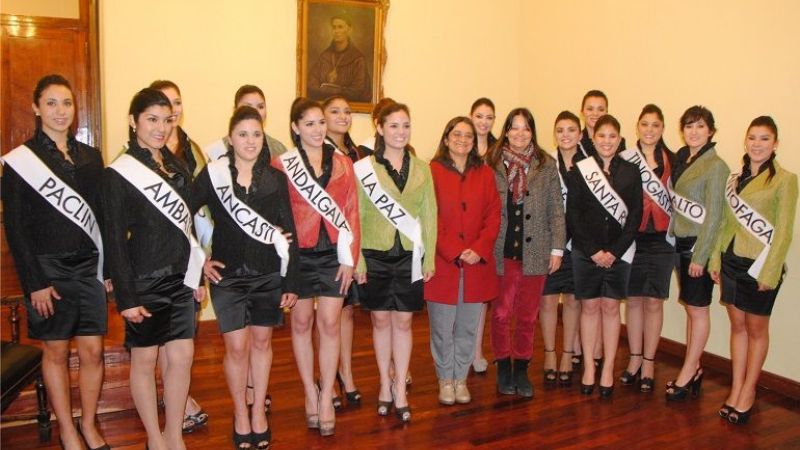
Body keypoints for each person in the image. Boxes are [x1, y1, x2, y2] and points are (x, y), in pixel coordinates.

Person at [2, 74, 110, 450]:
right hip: (48, 271)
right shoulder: (21, 162)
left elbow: (102, 217)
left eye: (66, 103)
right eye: (51, 103)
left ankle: (89, 424)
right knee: (57, 351)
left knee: (93, 351)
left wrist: (108, 270)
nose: (60, 111)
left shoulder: (91, 158)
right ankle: (67, 429)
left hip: (89, 267)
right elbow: (15, 229)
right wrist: (34, 282)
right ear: (36, 108)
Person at [102, 88, 206, 450]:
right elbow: (114, 239)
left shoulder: (178, 166)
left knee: (182, 357)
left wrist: (198, 275)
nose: (161, 128)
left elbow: (190, 227)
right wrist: (126, 297)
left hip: (181, 277)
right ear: (134, 122)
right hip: (144, 279)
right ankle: (154, 438)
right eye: (152, 120)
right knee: (145, 360)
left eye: (167, 120)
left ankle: (174, 434)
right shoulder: (118, 173)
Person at [191, 106, 300, 449]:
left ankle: (258, 413)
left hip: (267, 273)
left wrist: (290, 281)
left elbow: (290, 230)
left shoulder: (275, 178)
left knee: (262, 344)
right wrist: (199, 260)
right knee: (236, 347)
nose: (250, 141)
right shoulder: (213, 175)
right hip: (228, 276)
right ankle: (240, 412)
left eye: (256, 134)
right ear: (230, 139)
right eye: (242, 134)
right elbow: (181, 213)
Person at [272, 98, 360, 437]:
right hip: (299, 256)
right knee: (301, 323)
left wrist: (350, 258)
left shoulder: (342, 163)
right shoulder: (282, 164)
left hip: (333, 255)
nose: (317, 129)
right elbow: (276, 212)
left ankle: (325, 398)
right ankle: (310, 391)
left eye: (321, 122)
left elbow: (351, 211)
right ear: (295, 127)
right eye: (309, 123)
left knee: (330, 324)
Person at [709, 116, 797, 424]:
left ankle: (749, 390)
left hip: (760, 266)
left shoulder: (785, 180)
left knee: (757, 330)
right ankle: (736, 387)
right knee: (738, 327)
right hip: (731, 260)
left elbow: (784, 232)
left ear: (775, 144)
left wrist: (769, 273)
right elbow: (724, 223)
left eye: (764, 138)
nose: (757, 144)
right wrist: (716, 260)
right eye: (752, 138)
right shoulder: (735, 179)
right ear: (745, 141)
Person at [354, 102, 437, 422]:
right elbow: (357, 215)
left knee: (403, 322)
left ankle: (400, 387)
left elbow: (429, 215)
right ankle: (384, 385)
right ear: (379, 127)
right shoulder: (365, 168)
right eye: (393, 125)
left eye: (406, 125)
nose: (400, 132)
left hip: (409, 255)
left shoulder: (422, 168)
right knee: (379, 321)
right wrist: (358, 260)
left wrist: (429, 255)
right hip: (374, 252)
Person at [485, 107, 565, 398]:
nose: (520, 134)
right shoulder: (491, 162)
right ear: (506, 131)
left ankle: (521, 367)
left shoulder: (546, 164)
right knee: (501, 313)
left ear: (533, 132)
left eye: (526, 128)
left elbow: (556, 209)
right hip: (501, 250)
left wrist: (557, 248)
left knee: (528, 315)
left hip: (536, 250)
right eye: (514, 128)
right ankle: (503, 366)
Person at [149, 79, 210, 434]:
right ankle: (174, 399)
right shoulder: (140, 151)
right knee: (162, 333)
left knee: (185, 334)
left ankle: (177, 394)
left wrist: (206, 256)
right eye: (165, 103)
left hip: (190, 253)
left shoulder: (193, 150)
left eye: (177, 102)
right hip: (156, 258)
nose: (172, 110)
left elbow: (204, 206)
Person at [426, 117, 500, 405]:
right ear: (446, 139)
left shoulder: (486, 173)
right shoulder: (431, 171)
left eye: (468, 136)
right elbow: (429, 216)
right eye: (456, 134)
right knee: (442, 328)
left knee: (468, 326)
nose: (462, 140)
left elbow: (494, 215)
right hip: (443, 262)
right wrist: (454, 249)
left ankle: (460, 377)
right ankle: (445, 378)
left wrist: (479, 248)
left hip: (476, 264)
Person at [567, 114, 642, 398]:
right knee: (589, 308)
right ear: (593, 138)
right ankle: (589, 366)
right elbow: (573, 214)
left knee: (611, 309)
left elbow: (634, 216)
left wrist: (614, 252)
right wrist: (593, 251)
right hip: (586, 252)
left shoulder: (631, 172)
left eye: (612, 136)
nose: (607, 141)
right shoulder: (581, 170)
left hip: (618, 253)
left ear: (620, 139)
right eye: (601, 136)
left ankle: (608, 367)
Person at [666, 106, 729, 401]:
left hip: (696, 247)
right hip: (681, 243)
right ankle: (695, 367)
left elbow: (715, 216)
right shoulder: (683, 159)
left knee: (698, 309)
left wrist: (701, 257)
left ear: (710, 131)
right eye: (689, 126)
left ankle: (689, 370)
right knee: (692, 308)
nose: (694, 131)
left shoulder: (716, 166)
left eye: (700, 126)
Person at [618, 105, 676, 392]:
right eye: (645, 124)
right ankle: (635, 358)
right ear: (637, 127)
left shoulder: (674, 160)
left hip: (663, 240)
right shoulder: (625, 159)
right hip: (633, 238)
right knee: (633, 300)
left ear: (662, 128)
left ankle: (650, 361)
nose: (649, 130)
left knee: (654, 301)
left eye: (655, 125)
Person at [322, 95, 370, 409]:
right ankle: (326, 377)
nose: (343, 116)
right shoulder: (319, 151)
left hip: (353, 239)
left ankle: (346, 372)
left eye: (347, 111)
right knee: (328, 316)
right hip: (328, 243)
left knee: (348, 311)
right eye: (335, 111)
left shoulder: (357, 153)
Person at [538, 111, 588, 386]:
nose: (565, 135)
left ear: (580, 134)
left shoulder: (590, 165)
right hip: (551, 243)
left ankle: (568, 354)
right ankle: (549, 353)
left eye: (571, 130)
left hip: (578, 244)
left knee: (572, 300)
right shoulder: (546, 164)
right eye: (560, 130)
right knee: (547, 300)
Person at [468, 97, 497, 374]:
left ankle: (476, 350)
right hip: (463, 230)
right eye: (479, 116)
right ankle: (461, 348)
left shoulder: (500, 151)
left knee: (481, 297)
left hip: (489, 230)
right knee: (459, 295)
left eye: (489, 117)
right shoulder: (460, 144)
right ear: (470, 117)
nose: (484, 122)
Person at [205, 85, 288, 162]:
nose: (255, 112)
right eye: (248, 107)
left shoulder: (278, 149)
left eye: (260, 107)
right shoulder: (219, 151)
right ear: (235, 110)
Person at [308, 15, 371, 102]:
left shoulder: (358, 59)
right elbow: (311, 85)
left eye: (340, 27)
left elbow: (356, 91)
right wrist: (340, 91)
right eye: (334, 27)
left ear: (349, 30)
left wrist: (326, 91)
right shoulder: (324, 56)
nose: (336, 31)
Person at [579, 90, 626, 156]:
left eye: (601, 109)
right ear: (582, 112)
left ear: (606, 112)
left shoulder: (618, 142)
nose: (595, 113)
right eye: (590, 109)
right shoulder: (576, 141)